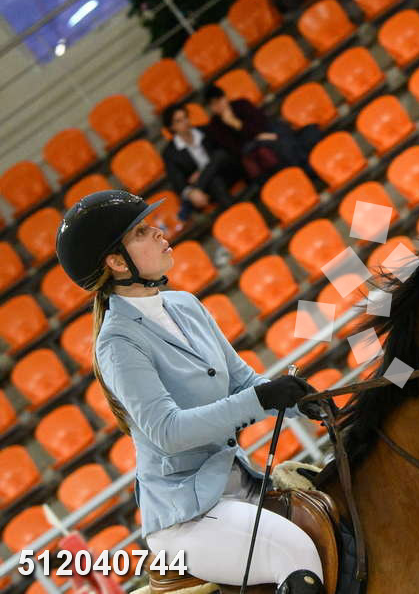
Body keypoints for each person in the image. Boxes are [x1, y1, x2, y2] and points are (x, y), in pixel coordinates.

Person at [54, 189, 326, 594]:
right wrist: (262, 399)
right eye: (142, 232)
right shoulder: (117, 342)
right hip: (187, 514)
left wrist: (305, 401)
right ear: (117, 262)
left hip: (240, 482)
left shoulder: (185, 304)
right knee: (295, 551)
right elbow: (168, 431)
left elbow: (242, 382)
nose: (159, 232)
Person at [203, 85, 324, 183]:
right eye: (213, 104)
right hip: (253, 147)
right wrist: (236, 125)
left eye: (219, 100)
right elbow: (235, 147)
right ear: (210, 108)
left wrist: (240, 125)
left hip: (268, 130)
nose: (219, 106)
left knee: (286, 135)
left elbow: (260, 123)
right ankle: (309, 171)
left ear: (225, 97)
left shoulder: (241, 104)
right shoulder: (214, 126)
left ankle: (310, 169)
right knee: (280, 144)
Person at [161, 104, 242, 221]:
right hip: (209, 188)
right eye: (179, 121)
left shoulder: (205, 130)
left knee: (220, 155)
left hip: (228, 173)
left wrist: (201, 174)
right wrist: (191, 193)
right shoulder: (170, 153)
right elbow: (177, 181)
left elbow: (225, 153)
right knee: (215, 182)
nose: (185, 122)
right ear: (171, 127)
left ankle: (200, 186)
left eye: (185, 117)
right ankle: (239, 216)